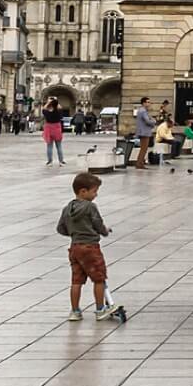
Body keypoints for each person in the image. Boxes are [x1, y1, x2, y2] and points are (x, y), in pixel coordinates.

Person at [58, 171, 118, 321]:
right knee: (99, 279)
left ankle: (75, 311)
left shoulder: (67, 208)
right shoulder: (91, 207)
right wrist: (105, 231)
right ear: (83, 191)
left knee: (76, 281)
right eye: (94, 191)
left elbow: (60, 228)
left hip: (74, 248)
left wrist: (74, 233)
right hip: (91, 247)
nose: (96, 194)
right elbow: (98, 224)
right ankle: (100, 309)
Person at [131, 97, 156, 169]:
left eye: (149, 102)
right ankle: (139, 164)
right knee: (144, 149)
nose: (149, 104)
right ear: (143, 103)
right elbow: (147, 121)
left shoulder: (141, 110)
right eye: (147, 102)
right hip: (144, 132)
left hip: (142, 131)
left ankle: (140, 162)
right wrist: (154, 121)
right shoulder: (143, 111)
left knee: (143, 148)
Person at [41, 96, 67, 165]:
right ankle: (61, 161)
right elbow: (60, 108)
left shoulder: (46, 111)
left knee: (49, 146)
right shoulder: (58, 111)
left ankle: (50, 162)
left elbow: (43, 109)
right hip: (57, 128)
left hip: (48, 128)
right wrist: (56, 101)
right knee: (59, 146)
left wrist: (48, 102)